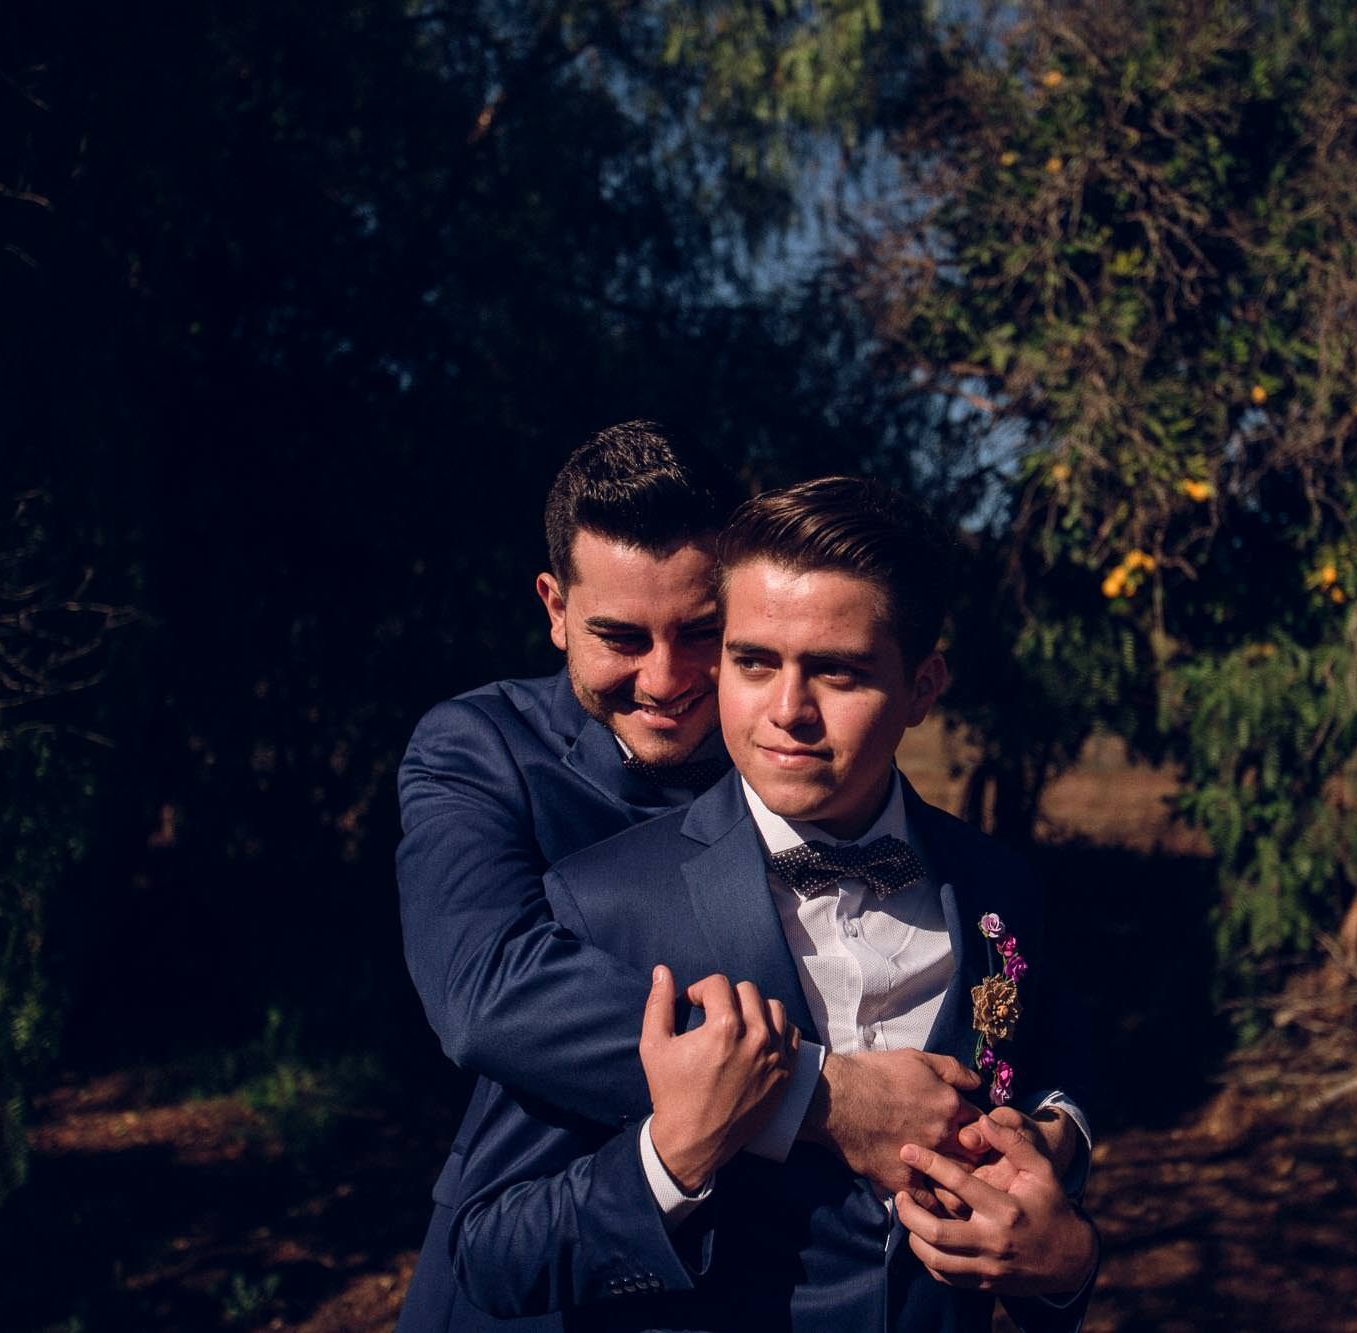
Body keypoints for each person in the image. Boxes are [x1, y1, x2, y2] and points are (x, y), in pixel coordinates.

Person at [396, 426, 1014, 1332]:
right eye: (620, 637)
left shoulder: (788, 748)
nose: (667, 679)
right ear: (556, 609)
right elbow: (487, 995)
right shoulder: (478, 750)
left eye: (703, 634)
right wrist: (823, 1094)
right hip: (536, 1275)